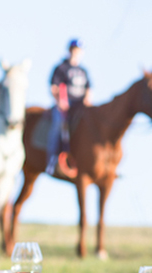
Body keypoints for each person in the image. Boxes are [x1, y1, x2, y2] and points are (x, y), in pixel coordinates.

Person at [47, 38, 92, 177]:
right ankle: (52, 160)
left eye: (78, 51)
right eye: (74, 50)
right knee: (57, 125)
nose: (76, 53)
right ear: (69, 51)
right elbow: (53, 87)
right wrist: (60, 101)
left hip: (80, 108)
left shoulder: (83, 71)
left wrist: (87, 102)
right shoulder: (61, 68)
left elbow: (89, 90)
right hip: (64, 108)